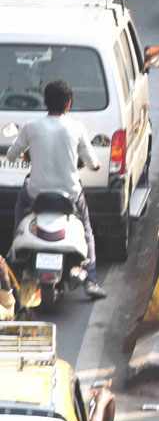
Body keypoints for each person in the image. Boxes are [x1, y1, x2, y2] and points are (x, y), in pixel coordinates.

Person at [6, 80, 105, 299]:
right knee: (87, 228)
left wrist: (24, 155)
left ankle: (14, 256)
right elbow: (92, 162)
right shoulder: (77, 128)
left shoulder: (31, 127)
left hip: (36, 194)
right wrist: (95, 166)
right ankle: (91, 279)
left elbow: (12, 155)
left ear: (45, 102)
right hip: (70, 194)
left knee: (20, 209)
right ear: (68, 104)